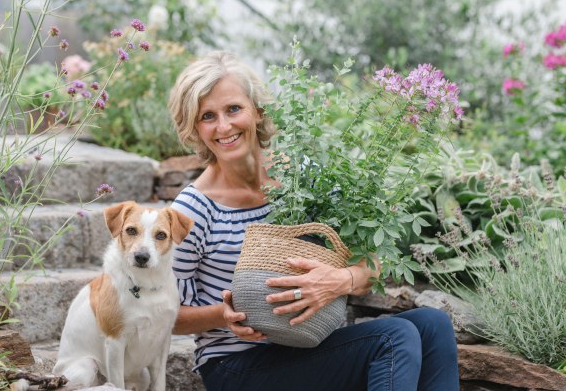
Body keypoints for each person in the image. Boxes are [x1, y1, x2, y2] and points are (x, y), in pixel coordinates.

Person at [167, 51, 459, 391]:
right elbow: (167, 315)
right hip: (239, 367)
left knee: (432, 324)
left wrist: (339, 280)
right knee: (393, 337)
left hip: (307, 346)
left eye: (234, 109)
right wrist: (223, 316)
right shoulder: (192, 210)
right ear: (194, 128)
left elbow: (374, 261)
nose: (224, 126)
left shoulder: (301, 177)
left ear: (258, 111)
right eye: (207, 116)